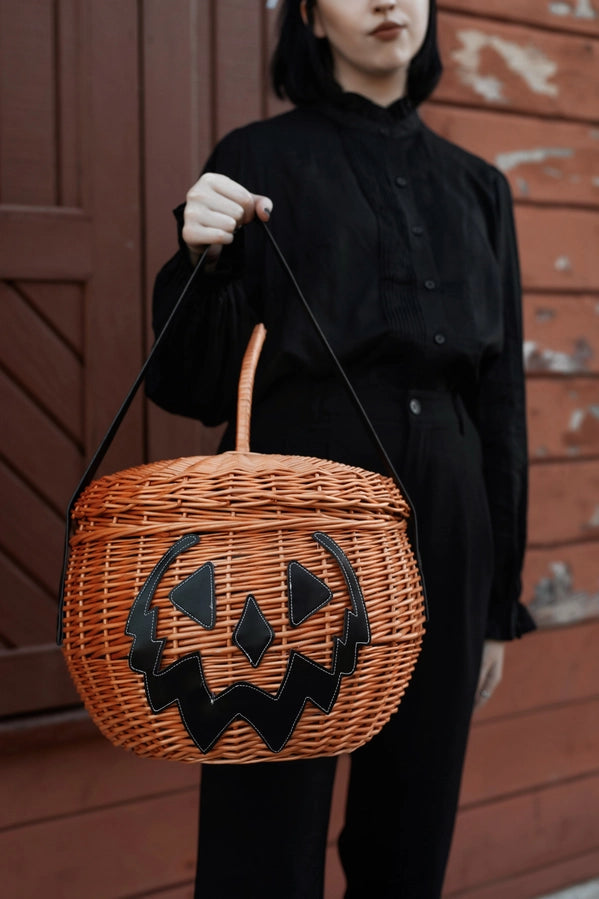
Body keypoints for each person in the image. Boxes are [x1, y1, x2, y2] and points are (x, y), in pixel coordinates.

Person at [146, 1, 537, 896]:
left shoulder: (479, 186)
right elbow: (188, 385)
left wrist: (494, 597)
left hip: (446, 504)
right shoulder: (254, 158)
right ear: (312, 18)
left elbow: (500, 401)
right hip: (295, 507)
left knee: (413, 812)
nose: (388, 0)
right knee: (265, 810)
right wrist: (197, 255)